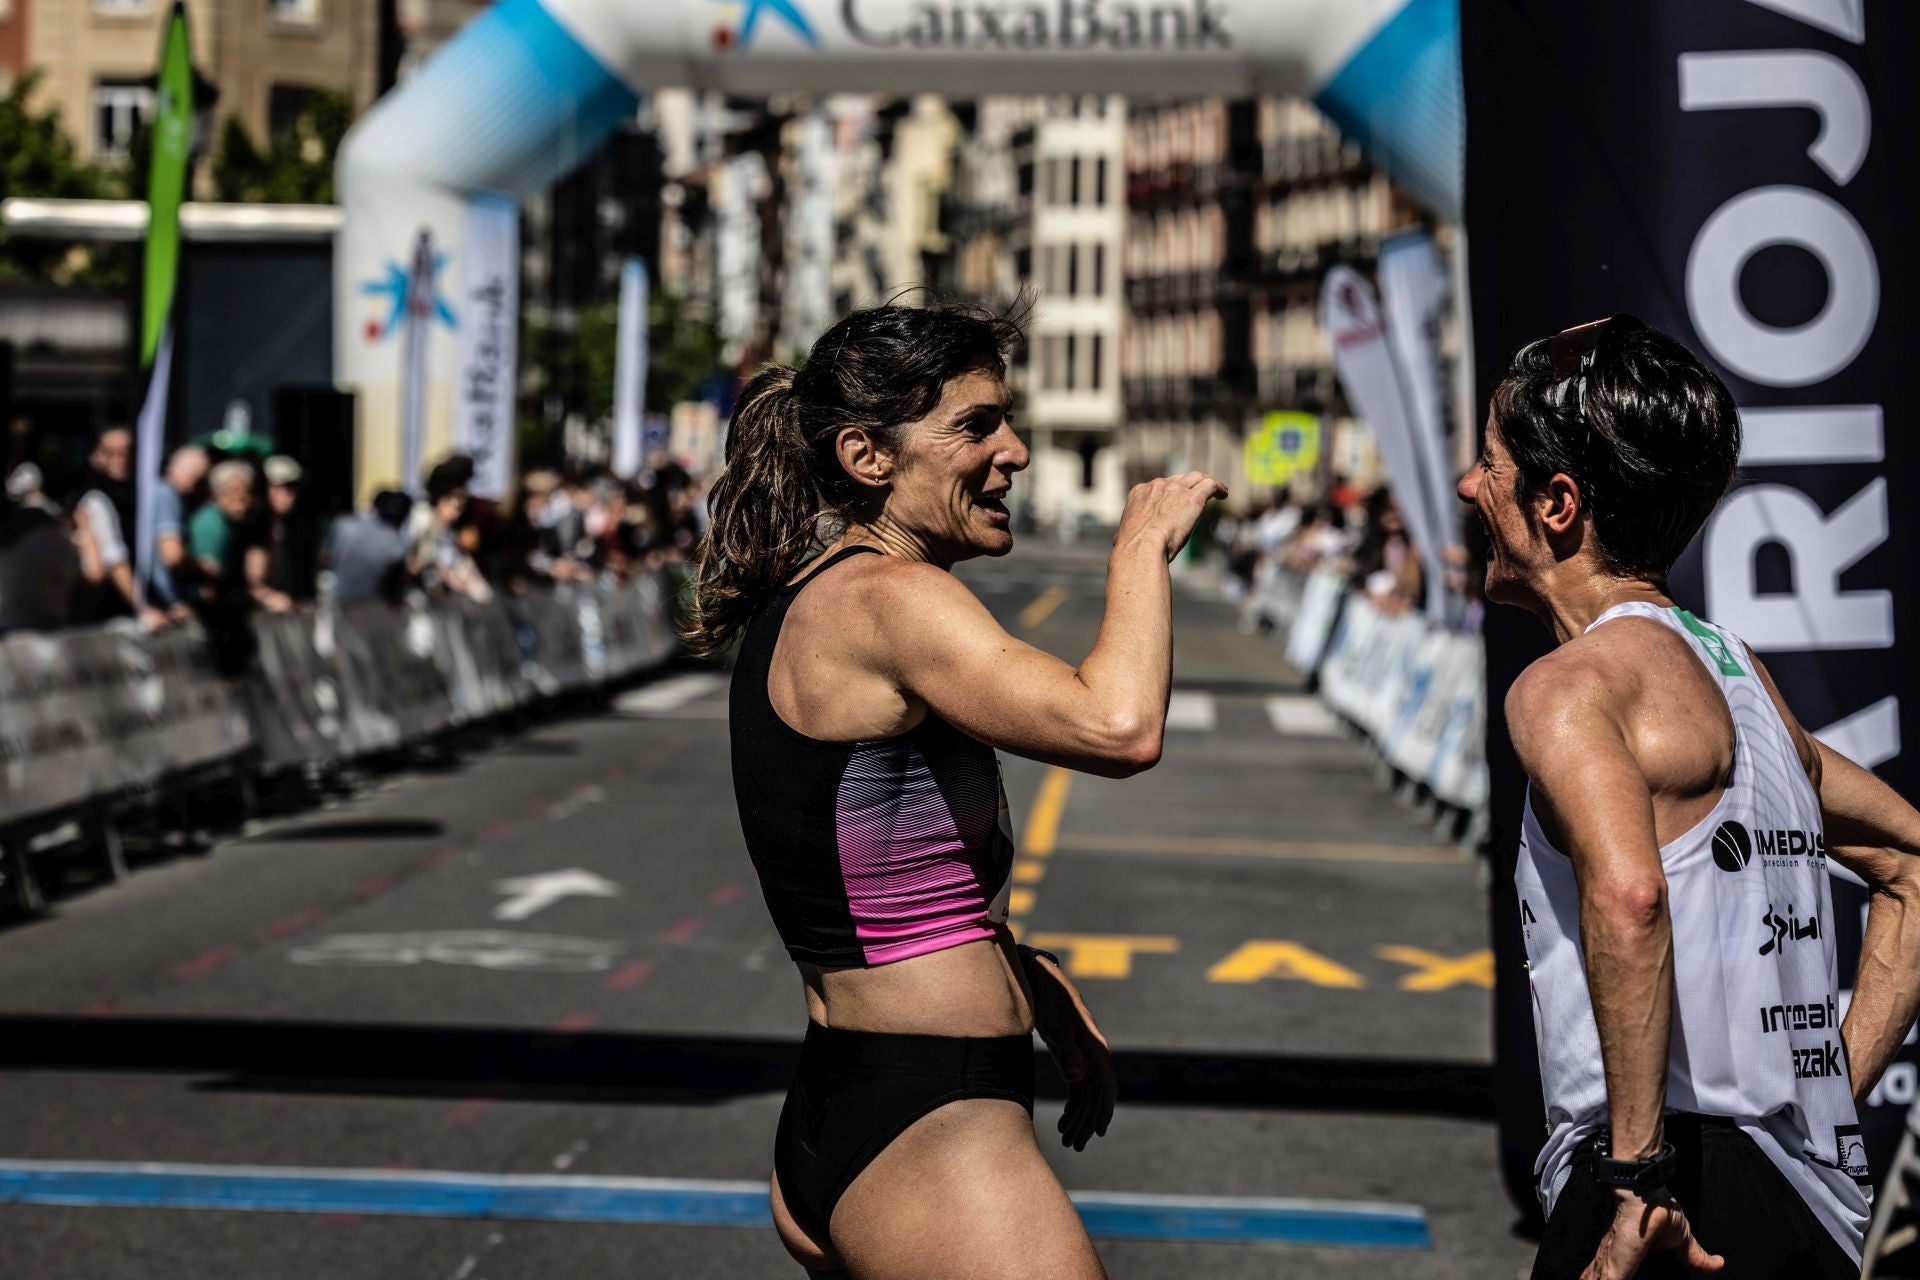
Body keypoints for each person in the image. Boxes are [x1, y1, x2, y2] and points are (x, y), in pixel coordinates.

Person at [692, 301, 1225, 1280]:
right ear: (868, 455)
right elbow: (1117, 725)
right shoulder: (888, 598)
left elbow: (868, 865)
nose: (1014, 450)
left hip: (860, 1102)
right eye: (976, 425)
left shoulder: (821, 595)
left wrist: (1015, 968)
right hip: (928, 1129)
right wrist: (1142, 545)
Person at [1461, 315, 1920, 1278]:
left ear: (1558, 503)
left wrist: (1636, 1180)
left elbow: (1631, 903)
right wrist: (1826, 1088)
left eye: (1490, 464)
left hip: (1659, 1193)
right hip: (1802, 1201)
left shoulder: (1569, 686)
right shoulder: (1737, 676)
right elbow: (1914, 865)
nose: (1469, 486)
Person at [70, 426, 165, 628]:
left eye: (126, 452)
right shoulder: (95, 498)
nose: (119, 459)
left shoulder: (138, 493)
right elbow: (114, 559)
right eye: (110, 453)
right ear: (96, 456)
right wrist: (143, 607)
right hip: (113, 612)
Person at [322, 489, 415, 605]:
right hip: (372, 609)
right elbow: (396, 588)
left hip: (339, 604)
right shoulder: (397, 547)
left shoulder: (344, 526)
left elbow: (325, 559)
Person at [150, 444, 209, 620]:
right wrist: (201, 566)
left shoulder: (158, 491)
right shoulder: (167, 494)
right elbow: (171, 554)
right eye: (198, 479)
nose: (196, 488)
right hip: (166, 601)